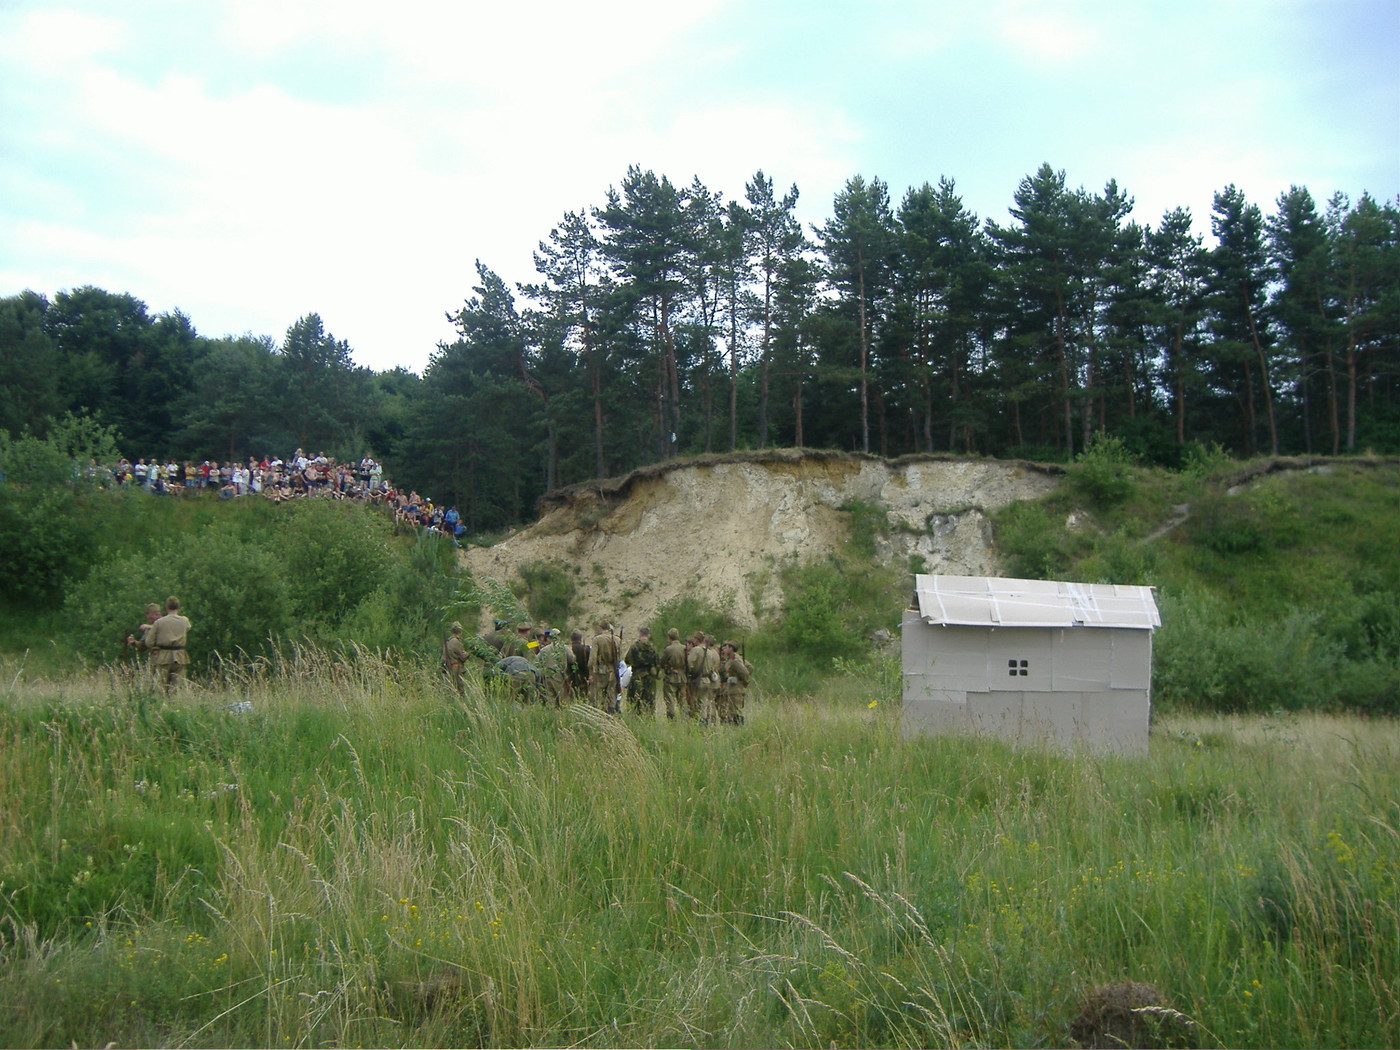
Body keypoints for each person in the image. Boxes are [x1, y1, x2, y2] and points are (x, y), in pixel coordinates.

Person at [142, 595, 191, 692]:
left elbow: (149, 642)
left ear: (166, 608)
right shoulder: (185, 620)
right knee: (176, 687)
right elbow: (188, 628)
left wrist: (155, 647)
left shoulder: (159, 622)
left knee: (161, 687)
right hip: (180, 656)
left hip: (163, 656)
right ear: (178, 607)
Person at [624, 626, 661, 717]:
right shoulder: (653, 648)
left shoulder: (634, 647)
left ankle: (636, 719)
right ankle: (649, 719)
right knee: (650, 701)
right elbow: (658, 663)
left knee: (635, 701)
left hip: (637, 676)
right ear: (648, 635)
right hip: (650, 678)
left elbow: (627, 660)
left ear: (640, 634)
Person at [715, 641, 752, 725]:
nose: (724, 649)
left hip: (736, 689)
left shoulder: (735, 660)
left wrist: (742, 681)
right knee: (731, 711)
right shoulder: (730, 659)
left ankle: (738, 727)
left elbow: (745, 672)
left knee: (735, 711)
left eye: (727, 647)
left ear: (731, 648)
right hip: (731, 689)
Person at [588, 620, 620, 713]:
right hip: (613, 671)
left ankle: (600, 714)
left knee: (599, 696)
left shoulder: (597, 639)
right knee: (612, 695)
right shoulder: (617, 640)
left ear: (600, 628)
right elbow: (619, 657)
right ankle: (611, 714)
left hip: (601, 671)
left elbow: (592, 659)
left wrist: (590, 672)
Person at [660, 627, 687, 721]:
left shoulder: (668, 649)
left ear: (669, 637)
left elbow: (662, 663)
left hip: (671, 677)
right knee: (682, 700)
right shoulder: (684, 648)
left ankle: (671, 719)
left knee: (670, 699)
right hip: (682, 677)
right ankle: (685, 719)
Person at [442, 621, 468, 696]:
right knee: (460, 691)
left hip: (449, 668)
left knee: (451, 690)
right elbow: (463, 657)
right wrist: (468, 654)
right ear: (460, 631)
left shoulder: (448, 641)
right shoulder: (455, 641)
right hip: (456, 669)